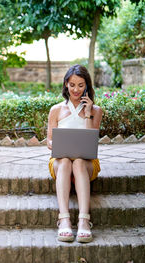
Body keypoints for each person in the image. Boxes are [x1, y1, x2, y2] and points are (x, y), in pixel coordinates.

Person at [47, 65, 103, 243]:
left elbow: (90, 140)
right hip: (60, 162)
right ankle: (64, 220)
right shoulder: (56, 110)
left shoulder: (96, 111)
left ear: (87, 86)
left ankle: (84, 221)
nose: (76, 90)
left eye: (80, 85)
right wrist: (57, 144)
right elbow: (49, 141)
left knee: (78, 162)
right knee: (64, 161)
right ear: (65, 85)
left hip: (86, 164)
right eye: (72, 85)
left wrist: (87, 114)